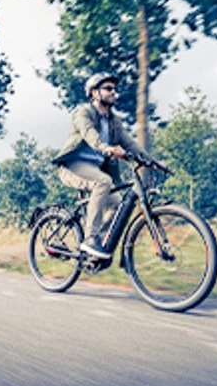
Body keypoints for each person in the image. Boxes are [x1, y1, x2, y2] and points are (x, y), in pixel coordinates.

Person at [52, 73, 156, 259]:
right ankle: (90, 239)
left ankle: (97, 244)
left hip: (95, 169)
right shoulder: (84, 112)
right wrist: (106, 148)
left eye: (114, 89)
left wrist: (150, 160)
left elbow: (130, 143)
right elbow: (89, 133)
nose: (113, 92)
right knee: (103, 182)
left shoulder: (114, 121)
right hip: (73, 166)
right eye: (108, 89)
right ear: (94, 92)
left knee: (119, 204)